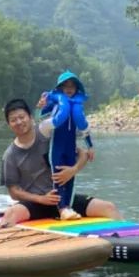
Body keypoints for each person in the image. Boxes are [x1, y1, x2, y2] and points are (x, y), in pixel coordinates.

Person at [0, 98, 121, 227]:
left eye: (21, 117)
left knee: (109, 208)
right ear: (9, 124)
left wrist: (72, 170)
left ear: (30, 117)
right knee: (10, 214)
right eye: (13, 120)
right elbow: (14, 192)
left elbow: (83, 154)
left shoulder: (48, 137)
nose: (19, 122)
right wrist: (41, 199)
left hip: (66, 200)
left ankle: (129, 241)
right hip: (37, 204)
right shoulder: (10, 155)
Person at [39, 70, 94, 220]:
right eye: (66, 86)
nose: (69, 88)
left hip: (70, 147)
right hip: (56, 147)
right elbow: (42, 112)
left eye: (72, 86)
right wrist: (43, 103)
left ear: (77, 89)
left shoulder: (77, 106)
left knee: (70, 178)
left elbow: (84, 128)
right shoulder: (56, 102)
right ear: (60, 88)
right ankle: (61, 208)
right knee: (57, 177)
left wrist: (90, 147)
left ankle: (67, 206)